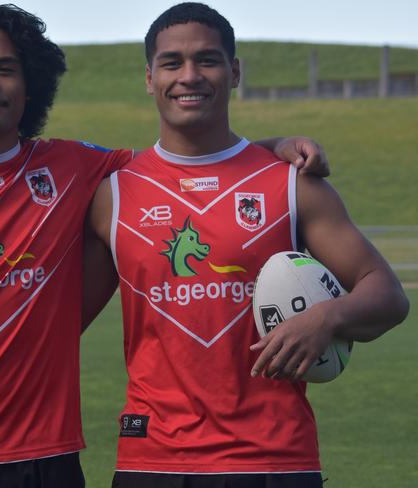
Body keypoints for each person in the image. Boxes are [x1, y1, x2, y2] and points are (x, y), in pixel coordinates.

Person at [0, 4, 330, 488]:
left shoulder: (71, 166)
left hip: (45, 461)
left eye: (5, 69)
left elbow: (186, 161)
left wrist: (274, 148)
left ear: (30, 85)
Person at [87, 3, 410, 488]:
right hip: (151, 459)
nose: (189, 76)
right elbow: (56, 319)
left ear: (234, 71)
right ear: (150, 78)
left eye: (208, 60)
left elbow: (387, 293)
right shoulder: (113, 194)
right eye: (172, 63)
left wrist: (327, 317)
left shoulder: (293, 184)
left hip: (274, 459)